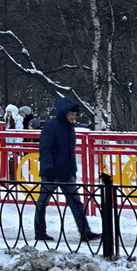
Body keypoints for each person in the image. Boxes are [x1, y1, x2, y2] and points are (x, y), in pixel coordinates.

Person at [34, 97, 100, 243]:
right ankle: (39, 231)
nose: (74, 117)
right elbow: (45, 148)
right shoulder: (52, 126)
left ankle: (85, 232)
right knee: (43, 202)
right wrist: (48, 168)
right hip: (53, 172)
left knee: (75, 202)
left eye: (75, 115)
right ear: (64, 113)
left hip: (66, 172)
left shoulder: (69, 127)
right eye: (72, 114)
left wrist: (72, 169)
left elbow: (70, 151)